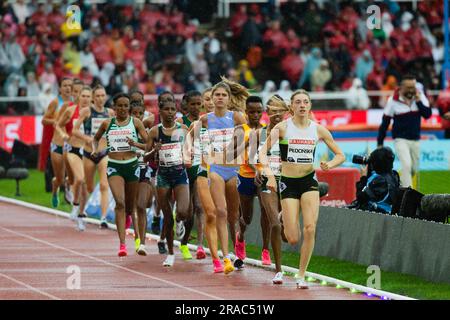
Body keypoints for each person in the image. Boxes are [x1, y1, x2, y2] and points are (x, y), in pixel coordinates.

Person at [259, 89, 345, 289]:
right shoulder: (281, 128)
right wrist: (270, 175)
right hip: (287, 182)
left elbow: (340, 155)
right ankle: (283, 217)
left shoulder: (318, 129)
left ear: (310, 106)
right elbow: (262, 154)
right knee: (293, 237)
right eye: (298, 102)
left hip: (309, 181)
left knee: (310, 228)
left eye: (306, 102)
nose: (302, 105)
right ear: (292, 106)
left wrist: (330, 165)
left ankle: (301, 274)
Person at [195, 80, 248, 274]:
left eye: (223, 95)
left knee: (234, 216)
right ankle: (224, 258)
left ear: (229, 98)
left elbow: (246, 141)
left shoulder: (236, 117)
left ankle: (238, 242)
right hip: (215, 168)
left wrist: (236, 149)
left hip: (234, 170)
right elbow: (192, 140)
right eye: (216, 95)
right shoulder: (204, 120)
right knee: (221, 212)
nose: (219, 98)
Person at [92, 93, 148, 257]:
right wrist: (96, 150)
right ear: (114, 107)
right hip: (114, 166)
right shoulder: (107, 123)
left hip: (132, 166)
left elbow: (147, 143)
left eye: (126, 105)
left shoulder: (135, 122)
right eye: (120, 106)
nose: (123, 109)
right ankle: (122, 244)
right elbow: (95, 139)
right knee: (120, 203)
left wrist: (135, 144)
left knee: (130, 207)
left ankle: (134, 230)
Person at [146, 98, 190, 267]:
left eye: (173, 109)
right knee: (167, 216)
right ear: (161, 111)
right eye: (167, 109)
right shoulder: (155, 132)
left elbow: (189, 150)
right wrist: (153, 151)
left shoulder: (183, 130)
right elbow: (144, 157)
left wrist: (188, 156)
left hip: (180, 174)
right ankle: (171, 253)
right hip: (163, 176)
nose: (171, 112)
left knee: (183, 211)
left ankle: (180, 221)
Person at [232, 96, 271, 270]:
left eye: (258, 112)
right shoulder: (241, 129)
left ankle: (265, 250)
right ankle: (240, 237)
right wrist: (246, 144)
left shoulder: (267, 130)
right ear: (246, 113)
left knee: (266, 211)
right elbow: (231, 154)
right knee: (246, 217)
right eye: (252, 112)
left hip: (263, 176)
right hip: (246, 176)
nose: (255, 115)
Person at [255, 94, 290, 284]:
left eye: (280, 111)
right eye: (273, 111)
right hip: (267, 182)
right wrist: (256, 171)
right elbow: (254, 159)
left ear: (285, 113)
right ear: (267, 112)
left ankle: (286, 223)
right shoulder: (259, 134)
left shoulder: (291, 133)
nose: (277, 115)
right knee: (274, 223)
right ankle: (279, 270)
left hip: (288, 182)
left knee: (287, 232)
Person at [377, 74, 432, 188]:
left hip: (415, 139)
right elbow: (385, 122)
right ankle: (408, 193)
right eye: (408, 87)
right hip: (400, 139)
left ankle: (400, 185)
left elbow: (427, 115)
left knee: (413, 168)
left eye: (413, 87)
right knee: (406, 165)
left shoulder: (420, 97)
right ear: (401, 87)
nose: (411, 90)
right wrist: (380, 142)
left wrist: (418, 102)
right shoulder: (393, 101)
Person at [72, 85, 115, 228]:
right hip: (88, 154)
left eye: (103, 95)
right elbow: (75, 130)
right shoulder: (86, 111)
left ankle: (103, 218)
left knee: (104, 185)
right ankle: (80, 208)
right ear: (93, 97)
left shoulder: (110, 113)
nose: (101, 98)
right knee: (88, 187)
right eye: (98, 96)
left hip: (104, 153)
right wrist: (87, 139)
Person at [56, 86, 92, 230]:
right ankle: (76, 207)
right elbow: (58, 125)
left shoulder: (95, 113)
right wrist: (63, 135)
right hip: (73, 150)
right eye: (83, 95)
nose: (85, 99)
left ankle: (80, 215)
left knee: (86, 188)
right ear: (78, 97)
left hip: (88, 152)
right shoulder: (71, 111)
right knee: (80, 179)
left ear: (92, 99)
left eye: (88, 96)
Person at [176, 91, 206, 260]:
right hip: (183, 169)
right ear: (186, 105)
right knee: (186, 212)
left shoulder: (205, 122)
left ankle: (200, 246)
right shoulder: (180, 123)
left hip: (199, 168)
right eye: (192, 104)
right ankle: (184, 240)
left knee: (200, 207)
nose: (196, 107)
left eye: (198, 104)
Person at [42, 77, 73, 208]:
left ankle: (69, 189)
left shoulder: (74, 104)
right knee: (59, 178)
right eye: (64, 85)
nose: (67, 88)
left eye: (69, 86)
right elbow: (44, 120)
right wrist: (55, 122)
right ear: (60, 88)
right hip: (57, 143)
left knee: (74, 174)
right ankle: (56, 191)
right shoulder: (55, 102)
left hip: (71, 144)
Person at [127, 100, 153, 255]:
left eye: (140, 114)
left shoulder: (148, 131)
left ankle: (141, 241)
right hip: (129, 170)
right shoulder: (124, 130)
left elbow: (150, 146)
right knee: (135, 206)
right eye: (134, 114)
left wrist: (139, 147)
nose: (138, 117)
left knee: (143, 205)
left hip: (143, 169)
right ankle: (139, 240)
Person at [347, 147, 400, 214]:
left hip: (376, 216)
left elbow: (361, 198)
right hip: (383, 214)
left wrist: (363, 177)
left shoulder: (380, 180)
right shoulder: (393, 175)